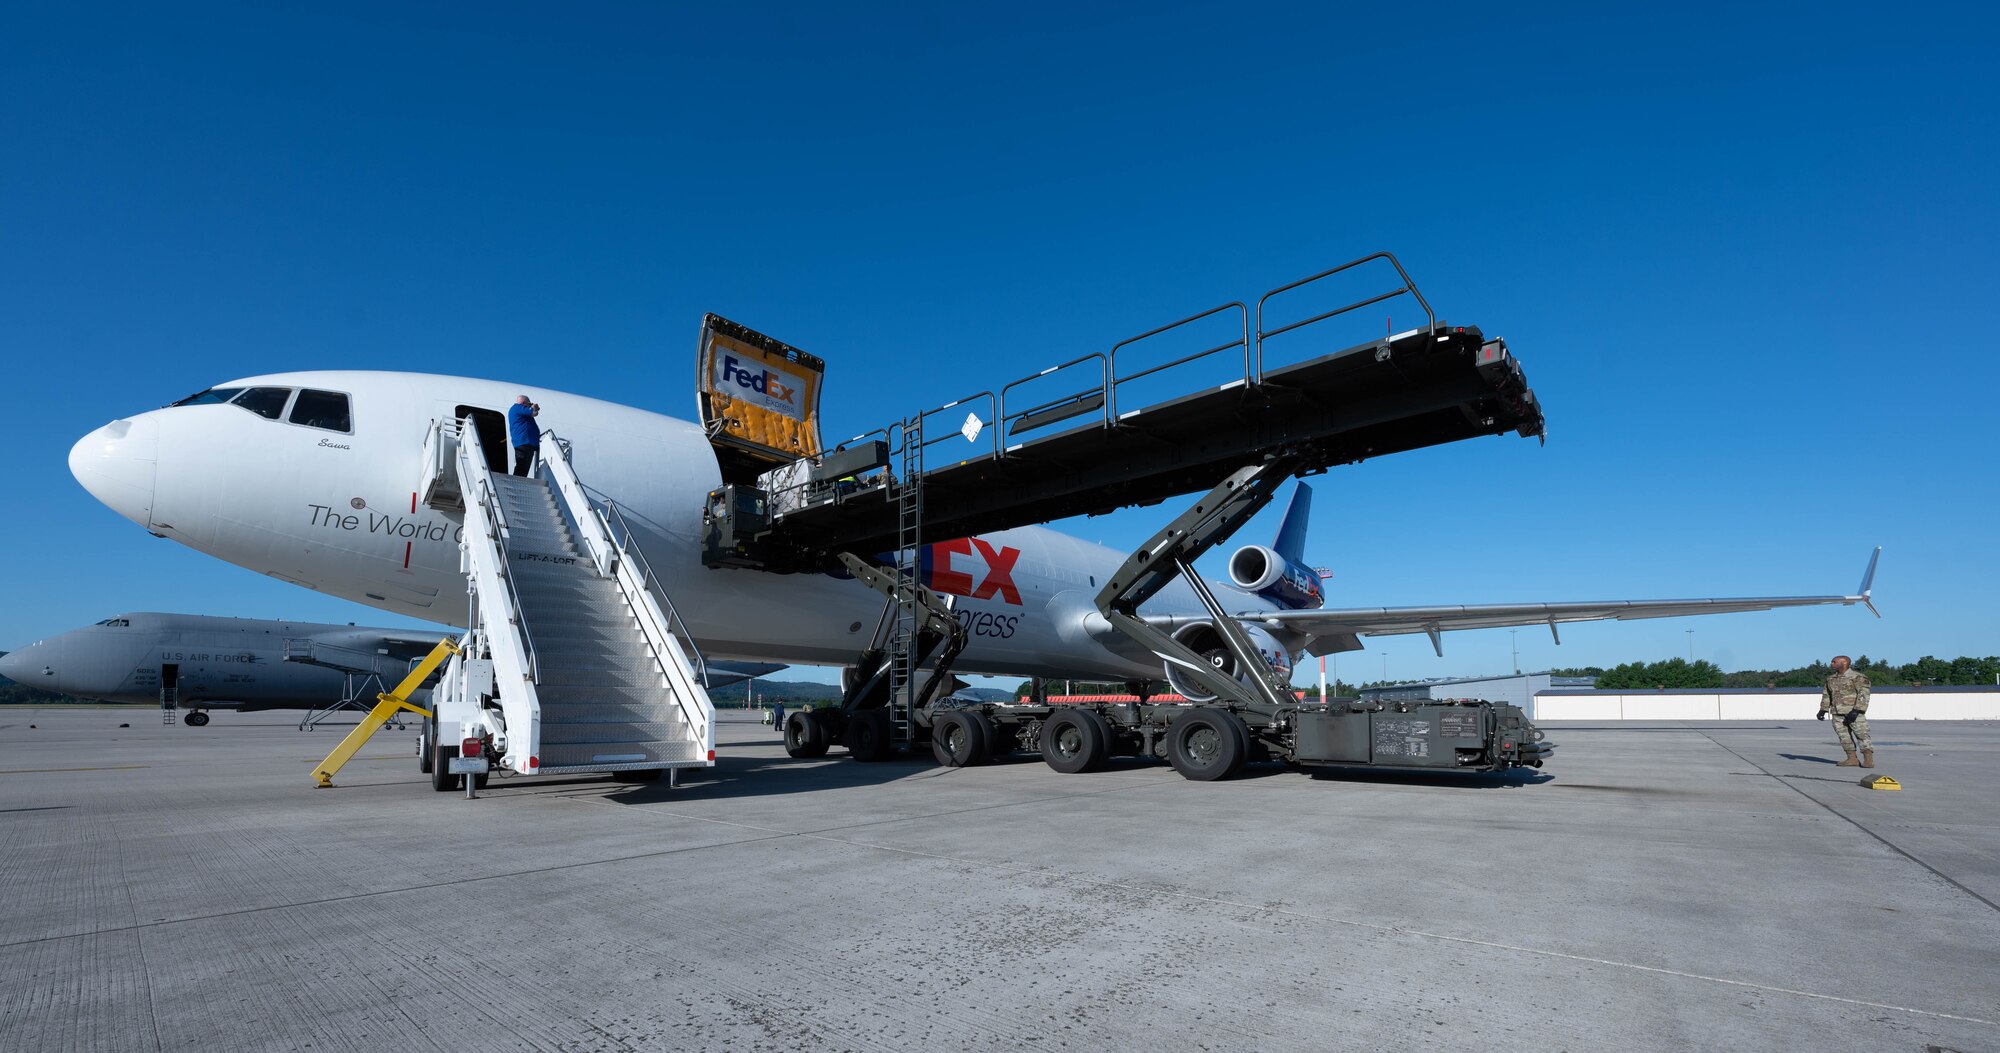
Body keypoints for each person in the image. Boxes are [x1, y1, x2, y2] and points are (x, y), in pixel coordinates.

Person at [1818, 654, 1873, 768]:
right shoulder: (1831, 679)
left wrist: (1857, 710)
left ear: (1844, 663)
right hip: (1837, 713)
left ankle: (1868, 759)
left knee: (1862, 734)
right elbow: (1827, 695)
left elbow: (1863, 694)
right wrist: (1823, 710)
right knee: (1844, 737)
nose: (1831, 664)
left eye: (1834, 662)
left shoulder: (1858, 677)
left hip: (1853, 712)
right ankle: (1852, 758)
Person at [507, 395, 540, 476]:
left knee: (524, 466)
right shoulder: (518, 407)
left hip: (526, 442)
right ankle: (516, 483)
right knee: (522, 466)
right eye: (529, 403)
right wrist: (534, 407)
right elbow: (534, 413)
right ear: (524, 403)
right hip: (524, 441)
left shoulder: (520, 411)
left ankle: (518, 482)